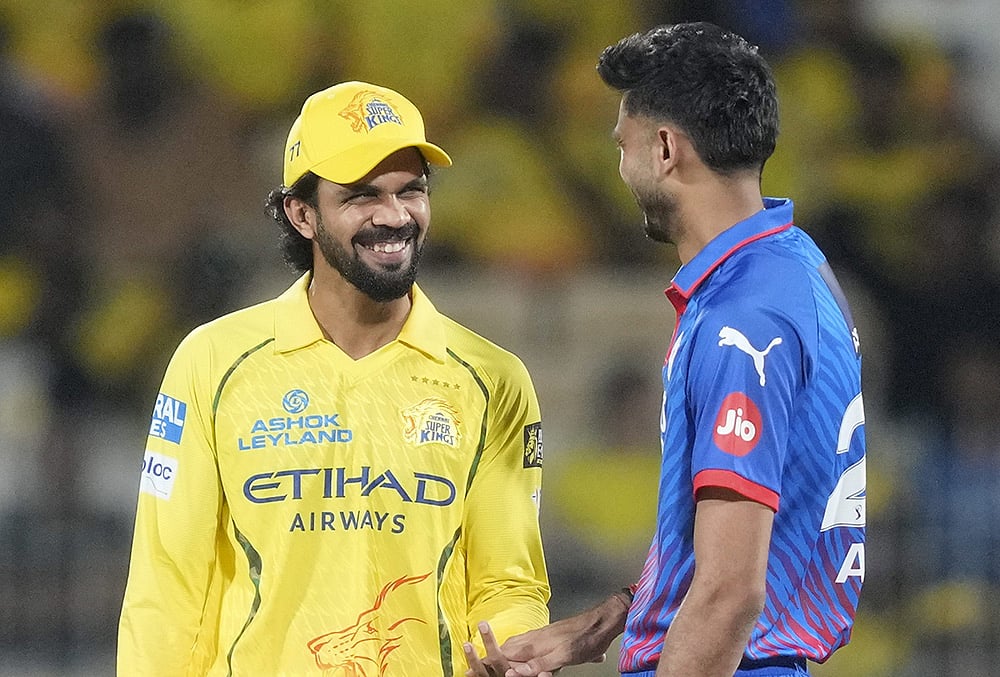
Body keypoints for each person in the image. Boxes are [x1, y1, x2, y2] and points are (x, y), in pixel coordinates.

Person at [465, 22, 866, 677]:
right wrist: (622, 610)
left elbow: (732, 591)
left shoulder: (744, 318)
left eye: (621, 146)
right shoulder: (791, 266)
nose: (618, 169)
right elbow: (746, 533)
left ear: (664, 149)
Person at [117, 80, 550, 675]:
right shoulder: (213, 362)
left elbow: (510, 584)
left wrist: (514, 650)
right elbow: (166, 586)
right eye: (361, 196)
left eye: (412, 191)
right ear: (302, 214)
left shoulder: (493, 379)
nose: (394, 216)